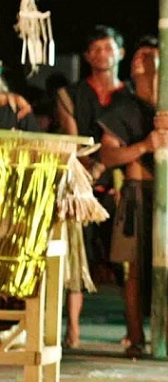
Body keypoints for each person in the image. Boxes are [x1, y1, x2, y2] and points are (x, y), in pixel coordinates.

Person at [98, 36, 168, 357]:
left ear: (165, 61)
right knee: (133, 268)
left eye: (148, 55)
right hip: (136, 192)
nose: (138, 60)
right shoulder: (123, 107)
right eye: (137, 55)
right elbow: (107, 155)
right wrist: (145, 146)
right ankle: (135, 337)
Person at [54, 26, 127, 349]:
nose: (102, 55)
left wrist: (110, 168)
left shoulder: (130, 95)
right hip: (81, 185)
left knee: (125, 262)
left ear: (120, 53)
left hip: (121, 184)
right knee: (75, 258)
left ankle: (133, 330)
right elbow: (72, 142)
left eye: (108, 48)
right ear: (87, 56)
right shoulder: (71, 94)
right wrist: (90, 172)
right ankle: (73, 331)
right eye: (95, 49)